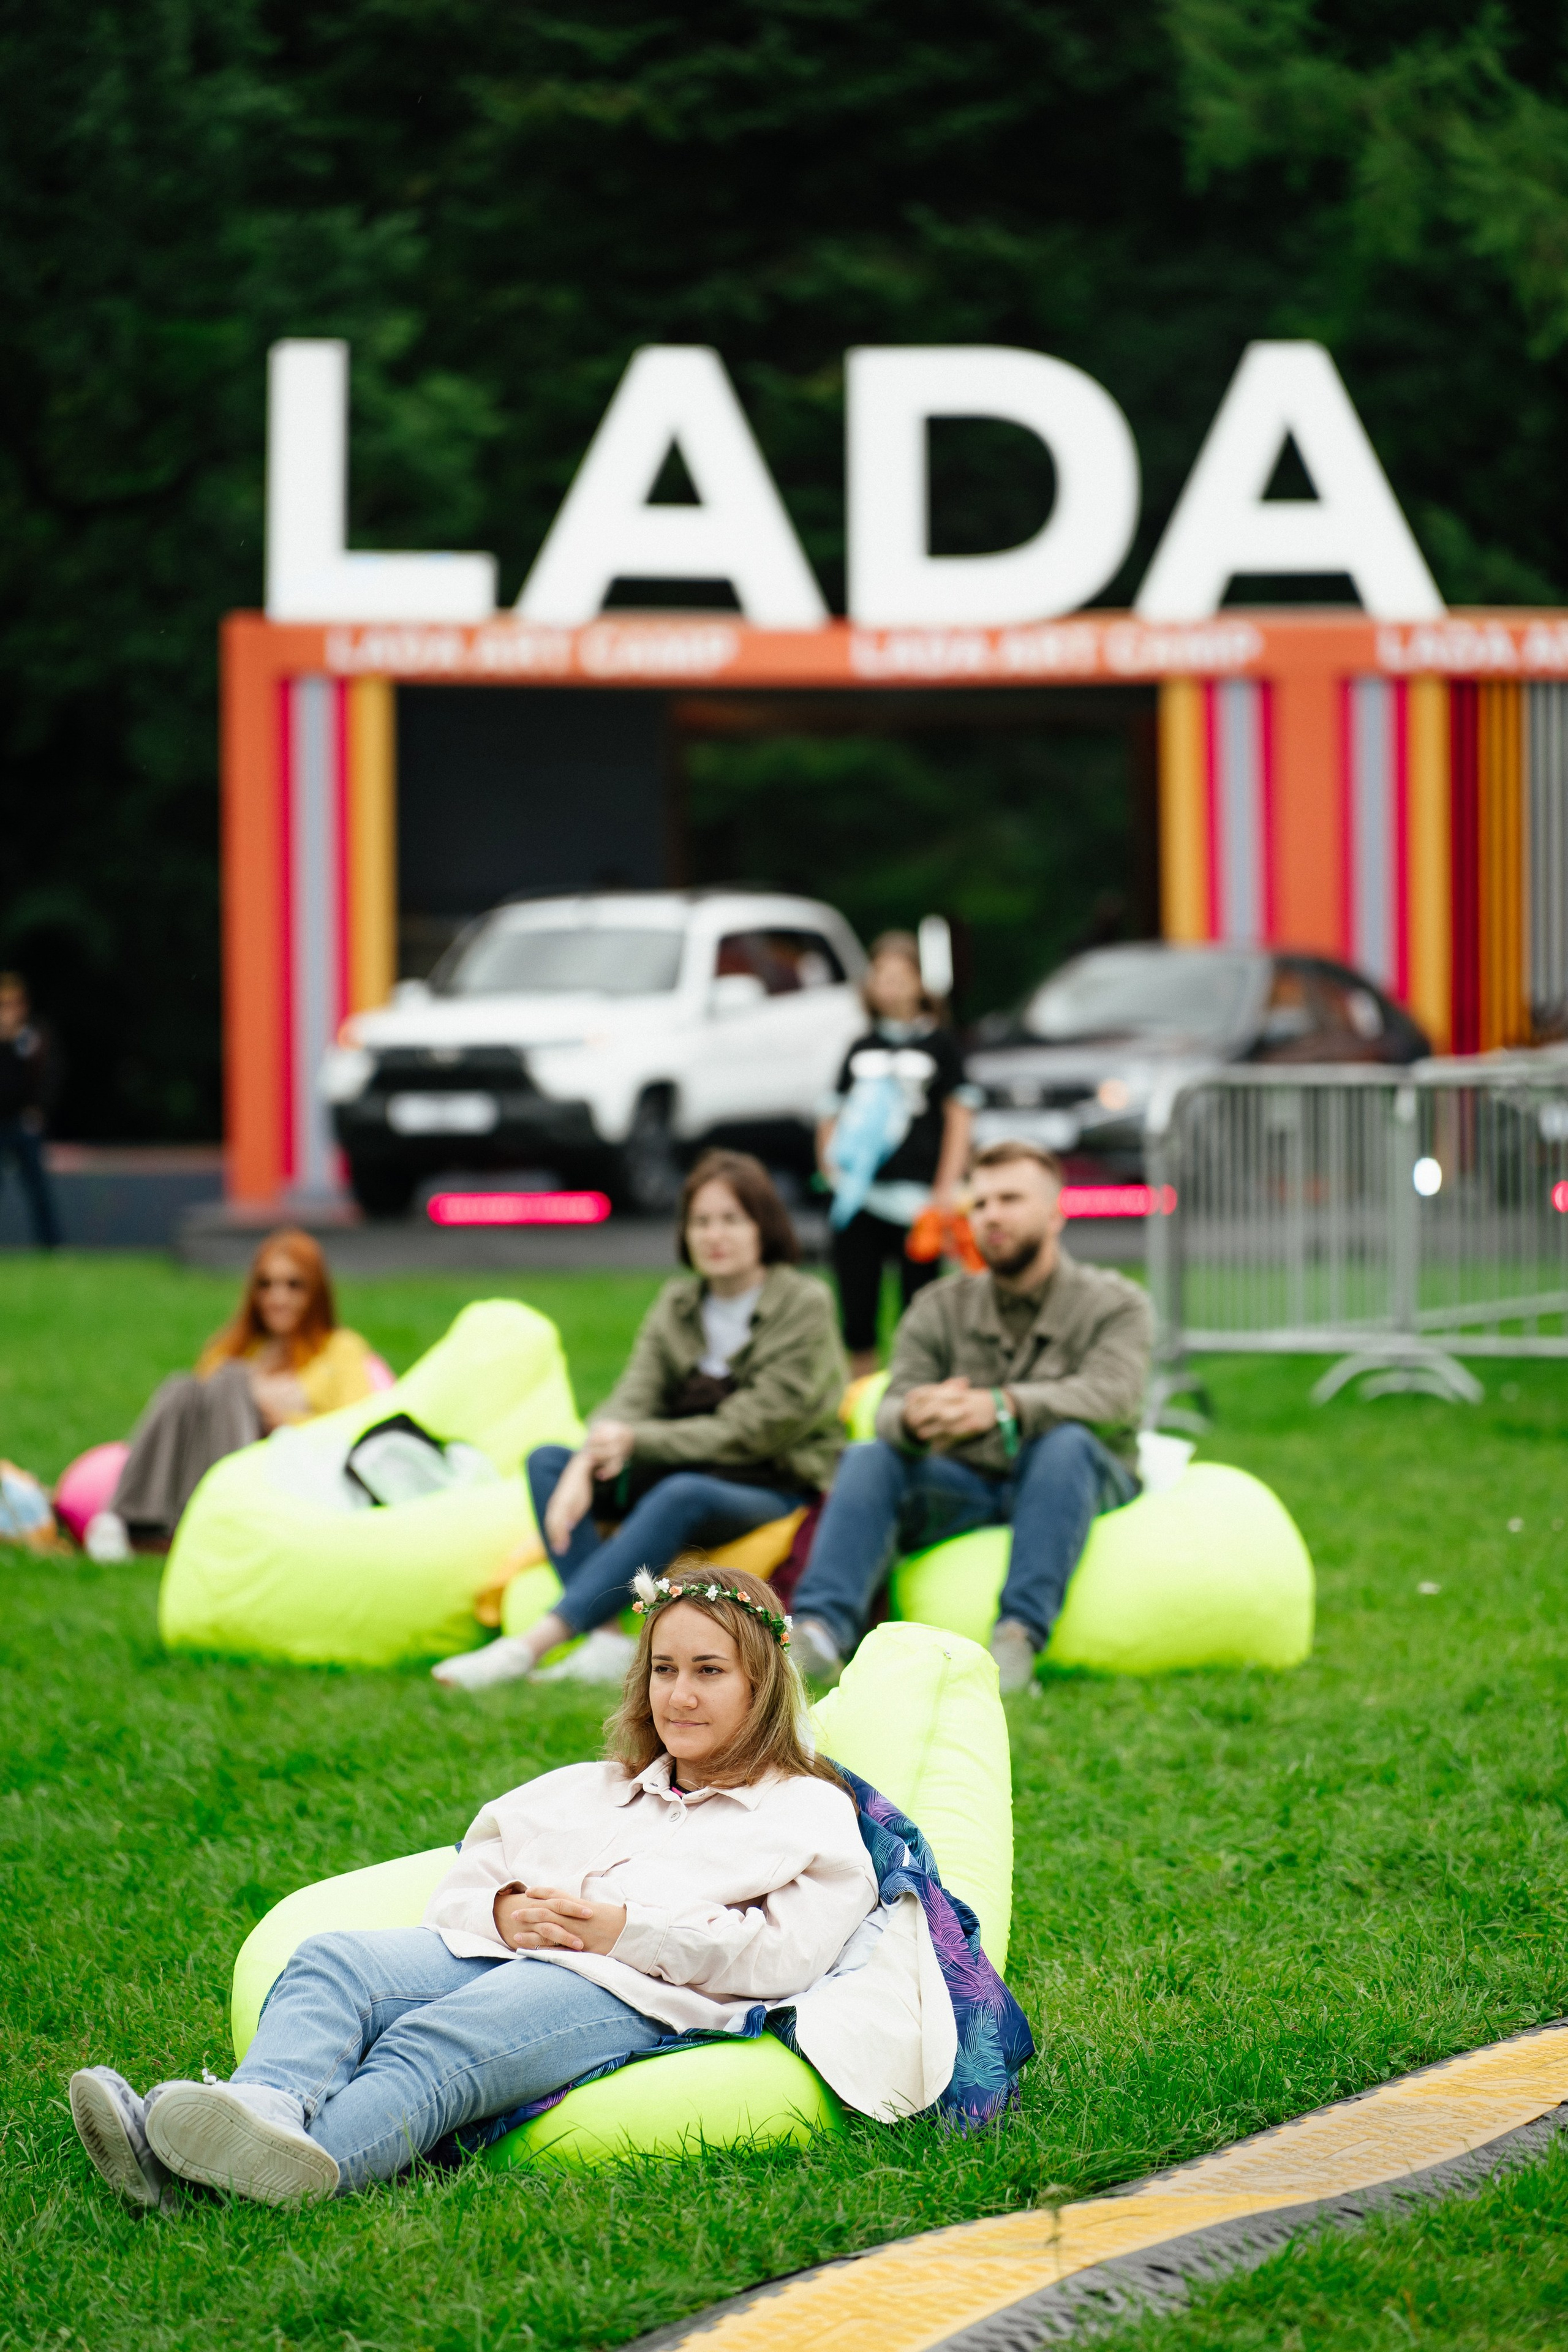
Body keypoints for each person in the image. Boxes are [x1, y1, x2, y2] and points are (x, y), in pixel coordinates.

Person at [68, 1567, 963, 2205]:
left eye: (709, 1672)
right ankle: (254, 2110)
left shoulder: (804, 1811)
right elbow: (476, 1863)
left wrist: (622, 1931)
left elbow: (786, 1956)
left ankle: (238, 2173)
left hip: (633, 1991)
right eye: (663, 1670)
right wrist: (503, 1909)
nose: (679, 1696)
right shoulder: (600, 1786)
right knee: (333, 1961)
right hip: (505, 1950)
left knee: (440, 2042)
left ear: (762, 1685)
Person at [432, 1151, 846, 1690]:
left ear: (763, 1226)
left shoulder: (803, 1303)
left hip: (772, 1479)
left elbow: (755, 1428)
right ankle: (605, 1638)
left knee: (682, 1492)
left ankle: (529, 1647)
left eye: (731, 1219)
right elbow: (632, 1395)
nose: (714, 1235)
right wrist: (585, 1462)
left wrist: (635, 1439)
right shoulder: (679, 1304)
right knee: (548, 1463)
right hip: (684, 1464)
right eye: (701, 1221)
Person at [790, 1140, 1153, 1694]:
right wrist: (917, 1417)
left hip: (1077, 1476)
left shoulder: (1116, 1303)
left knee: (1065, 1443)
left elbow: (1115, 1396)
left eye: (1010, 1199)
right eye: (979, 1204)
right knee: (869, 1456)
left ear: (1056, 1214)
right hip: (966, 1482)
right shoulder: (939, 1306)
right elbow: (888, 1405)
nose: (991, 1216)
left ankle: (1017, 1639)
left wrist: (1002, 1405)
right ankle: (817, 1634)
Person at [85, 1229, 378, 1560]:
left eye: (293, 1286)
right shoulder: (232, 1347)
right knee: (183, 1385)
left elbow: (356, 1427)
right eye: (266, 1285)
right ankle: (125, 1518)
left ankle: (229, 1517)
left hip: (287, 1462)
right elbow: (193, 1417)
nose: (277, 1298)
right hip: (208, 1462)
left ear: (316, 1292)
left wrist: (283, 1422)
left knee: (231, 1379)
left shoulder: (340, 1349)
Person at [818, 931, 979, 1378]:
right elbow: (830, 1112)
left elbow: (959, 1116)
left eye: (899, 976)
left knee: (920, 1306)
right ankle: (861, 1398)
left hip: (918, 1198)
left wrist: (948, 1184)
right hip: (861, 1196)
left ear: (919, 983)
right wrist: (831, 1169)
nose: (889, 986)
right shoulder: (860, 1048)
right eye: (880, 976)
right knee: (857, 1304)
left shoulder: (942, 1046)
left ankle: (917, 1392)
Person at [0, 971, 61, 1249]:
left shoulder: (33, 1038)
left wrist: (39, 1109)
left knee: (38, 1191)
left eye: (12, 1004)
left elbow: (51, 1075)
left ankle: (51, 1249)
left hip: (23, 1125)